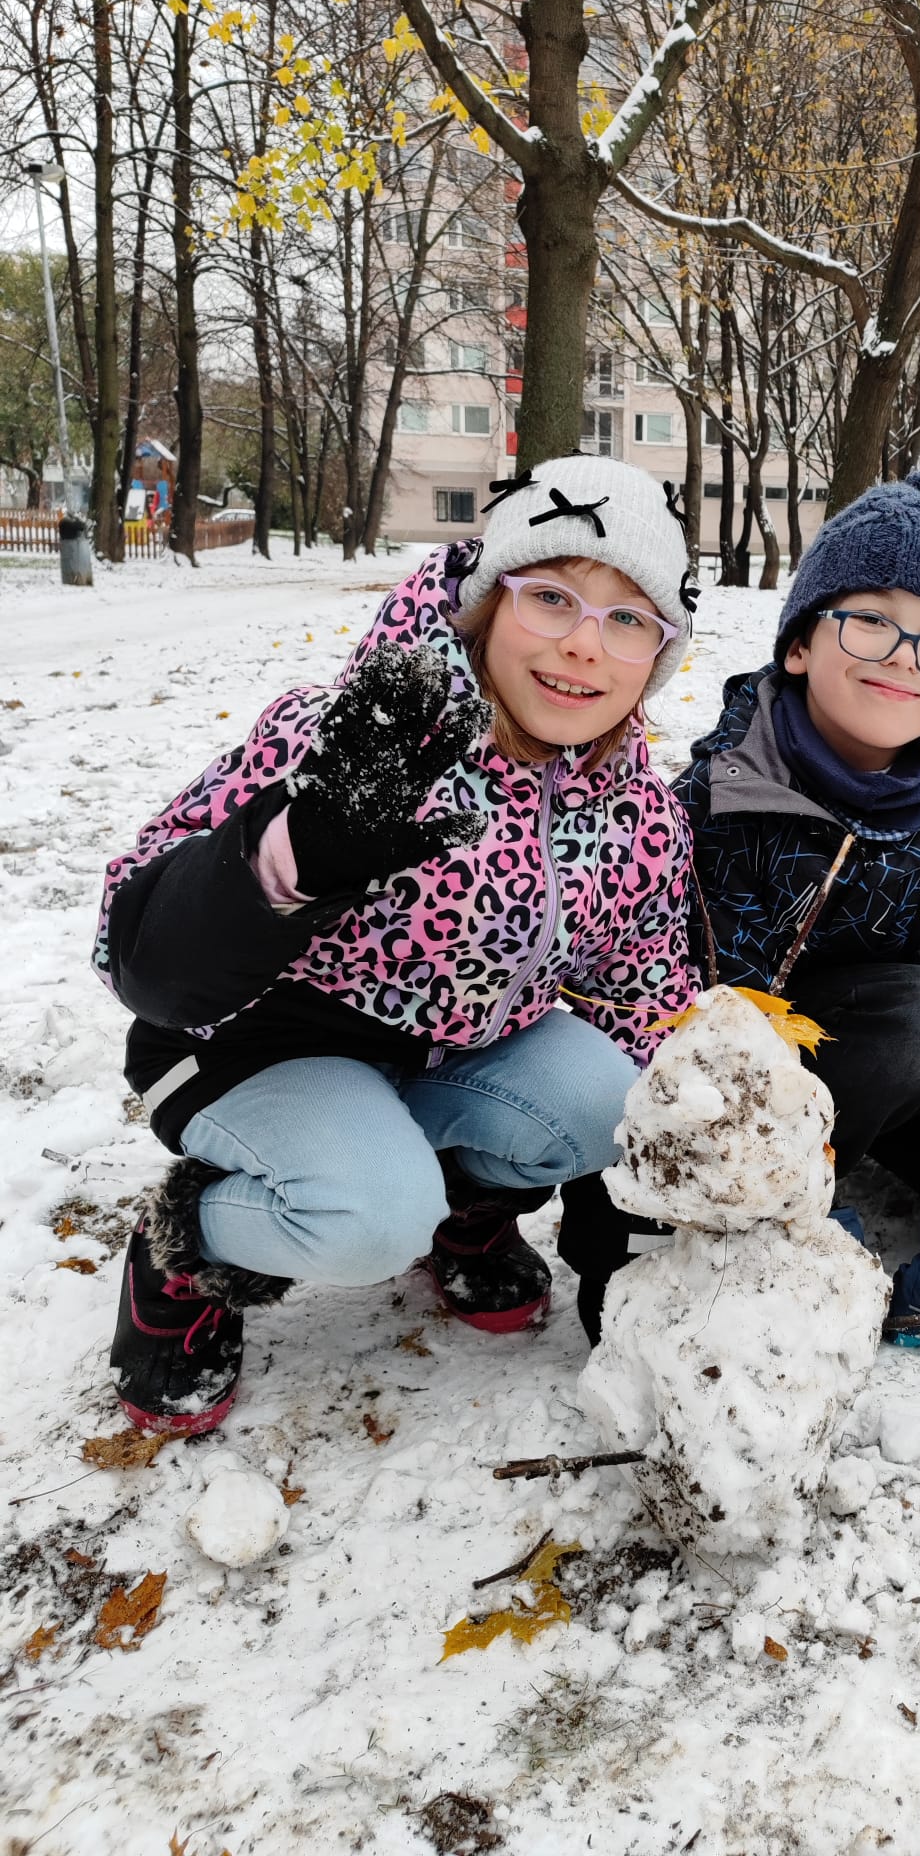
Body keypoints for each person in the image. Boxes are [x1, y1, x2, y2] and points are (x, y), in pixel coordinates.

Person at [94, 456, 700, 1433]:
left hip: (436, 1060)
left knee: (612, 1100)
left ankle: (457, 1216)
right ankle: (185, 1250)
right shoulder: (350, 739)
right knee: (371, 1214)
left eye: (629, 619)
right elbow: (140, 957)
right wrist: (296, 849)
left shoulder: (638, 813)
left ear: (658, 654)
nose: (585, 644)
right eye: (551, 596)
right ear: (486, 602)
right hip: (247, 1050)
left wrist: (695, 1113)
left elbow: (642, 982)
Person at [558, 468, 920, 1346]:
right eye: (872, 620)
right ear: (801, 645)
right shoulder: (723, 801)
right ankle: (807, 1171)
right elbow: (681, 1023)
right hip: (775, 1069)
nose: (904, 655)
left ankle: (910, 1146)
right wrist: (788, 1201)